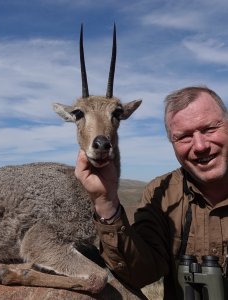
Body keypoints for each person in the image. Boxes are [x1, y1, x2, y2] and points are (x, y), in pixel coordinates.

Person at [75, 86, 228, 299]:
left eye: (210, 129)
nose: (200, 146)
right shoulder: (160, 193)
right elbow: (141, 274)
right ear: (172, 143)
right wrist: (105, 201)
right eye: (184, 137)